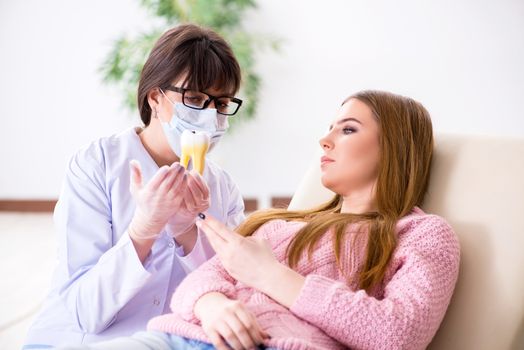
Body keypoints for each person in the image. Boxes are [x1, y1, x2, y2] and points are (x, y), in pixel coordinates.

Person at [58, 90, 460, 350]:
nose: (325, 140)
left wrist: (270, 276)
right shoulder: (280, 224)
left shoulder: (423, 234)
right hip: (177, 336)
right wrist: (211, 304)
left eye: (348, 129)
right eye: (329, 128)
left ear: (395, 147)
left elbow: (397, 336)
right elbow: (202, 280)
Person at [23, 23, 246, 348]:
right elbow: (86, 313)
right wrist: (144, 230)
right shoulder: (96, 166)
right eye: (195, 98)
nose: (210, 116)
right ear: (155, 97)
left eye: (222, 104)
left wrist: (187, 235)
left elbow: (228, 287)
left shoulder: (222, 188)